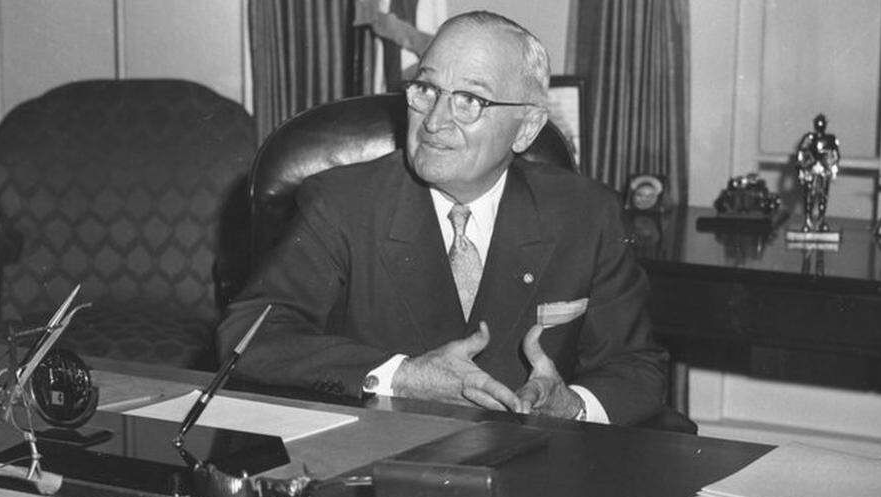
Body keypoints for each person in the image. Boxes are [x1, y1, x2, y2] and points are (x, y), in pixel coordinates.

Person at [217, 11, 667, 426]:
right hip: (380, 462)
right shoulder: (342, 202)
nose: (434, 121)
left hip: (533, 471)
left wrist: (572, 405)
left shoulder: (587, 214)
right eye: (427, 90)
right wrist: (402, 377)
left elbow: (636, 368)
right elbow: (247, 338)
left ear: (527, 127)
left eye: (470, 99)